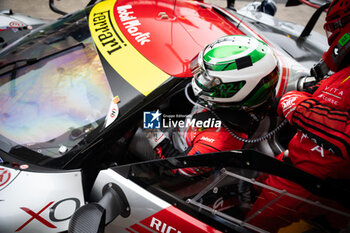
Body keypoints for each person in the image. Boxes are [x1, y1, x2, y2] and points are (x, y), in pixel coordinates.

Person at [245, 0, 350, 231]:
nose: (330, 34)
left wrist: (300, 106)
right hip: (292, 166)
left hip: (311, 186)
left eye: (332, 28)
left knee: (252, 227)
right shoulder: (342, 72)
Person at [142, 35, 279, 176]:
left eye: (209, 80)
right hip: (180, 127)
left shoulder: (220, 140)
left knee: (130, 134)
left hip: (169, 154)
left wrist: (148, 123)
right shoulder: (249, 98)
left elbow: (178, 167)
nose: (199, 80)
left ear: (234, 88)